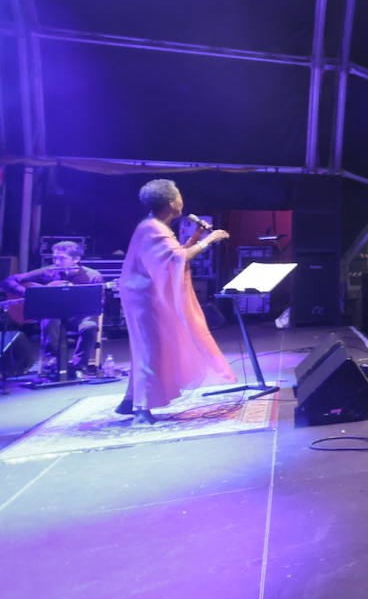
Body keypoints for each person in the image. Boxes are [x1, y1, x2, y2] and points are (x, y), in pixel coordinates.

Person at [115, 179, 234, 423]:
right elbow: (176, 259)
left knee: (148, 347)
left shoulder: (154, 225)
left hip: (146, 294)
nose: (182, 200)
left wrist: (198, 235)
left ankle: (131, 400)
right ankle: (141, 408)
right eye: (179, 195)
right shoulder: (153, 228)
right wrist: (209, 240)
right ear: (171, 203)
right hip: (144, 297)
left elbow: (173, 257)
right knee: (150, 348)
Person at [2, 239, 105, 376]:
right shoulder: (49, 271)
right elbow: (8, 281)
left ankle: (79, 365)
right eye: (55, 258)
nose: (56, 262)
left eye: (62, 259)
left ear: (76, 259)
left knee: (89, 326)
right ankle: (52, 362)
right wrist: (28, 293)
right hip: (54, 315)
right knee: (49, 318)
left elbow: (99, 303)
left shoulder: (93, 276)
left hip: (78, 318)